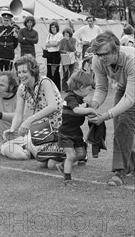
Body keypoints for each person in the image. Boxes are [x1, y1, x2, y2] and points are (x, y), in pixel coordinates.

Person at [87, 31, 135, 186]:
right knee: (120, 126)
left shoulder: (131, 60)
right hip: (124, 86)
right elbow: (101, 88)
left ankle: (120, 172)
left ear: (117, 49)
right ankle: (128, 167)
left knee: (124, 123)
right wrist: (94, 105)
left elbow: (130, 98)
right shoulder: (97, 60)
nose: (101, 58)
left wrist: (106, 115)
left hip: (131, 90)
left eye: (105, 54)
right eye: (98, 54)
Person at [2, 55, 63, 163]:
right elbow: (18, 114)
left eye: (24, 72)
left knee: (48, 163)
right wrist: (12, 130)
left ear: (33, 71)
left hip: (58, 128)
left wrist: (29, 120)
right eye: (19, 72)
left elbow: (52, 106)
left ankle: (74, 152)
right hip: (41, 129)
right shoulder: (22, 88)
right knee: (6, 147)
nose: (21, 75)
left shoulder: (45, 82)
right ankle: (32, 150)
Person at [56, 71, 97, 185]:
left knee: (81, 154)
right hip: (65, 133)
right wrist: (89, 110)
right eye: (90, 89)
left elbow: (83, 108)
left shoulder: (80, 99)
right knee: (71, 155)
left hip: (76, 132)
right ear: (82, 87)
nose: (91, 91)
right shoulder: (70, 98)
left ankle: (62, 165)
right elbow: (76, 110)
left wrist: (91, 108)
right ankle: (67, 180)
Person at [58, 27, 78, 92]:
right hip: (65, 57)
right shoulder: (62, 41)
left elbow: (73, 48)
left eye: (67, 34)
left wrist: (68, 40)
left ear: (70, 34)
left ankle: (71, 87)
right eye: (65, 34)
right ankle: (64, 88)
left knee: (72, 72)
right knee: (65, 73)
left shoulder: (73, 40)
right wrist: (64, 51)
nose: (66, 35)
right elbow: (60, 50)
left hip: (72, 56)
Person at [44, 21, 62, 90]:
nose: (53, 29)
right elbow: (46, 44)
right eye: (51, 27)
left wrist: (50, 43)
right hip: (49, 53)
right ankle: (49, 86)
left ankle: (56, 87)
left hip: (56, 54)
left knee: (55, 71)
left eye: (54, 27)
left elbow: (56, 44)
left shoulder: (59, 35)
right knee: (49, 70)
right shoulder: (49, 35)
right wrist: (52, 43)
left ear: (57, 28)